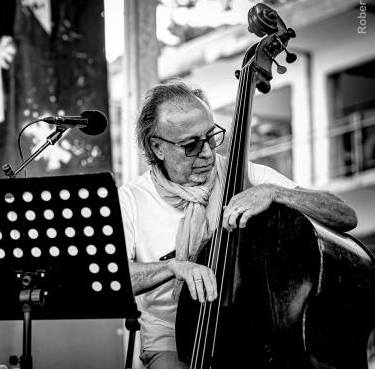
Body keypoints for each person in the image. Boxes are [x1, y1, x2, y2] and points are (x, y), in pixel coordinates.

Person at [118, 82, 357, 369]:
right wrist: (173, 267)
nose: (207, 153)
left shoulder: (245, 175)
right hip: (170, 338)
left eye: (211, 137)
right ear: (157, 147)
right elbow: (117, 277)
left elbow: (344, 215)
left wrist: (275, 192)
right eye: (191, 145)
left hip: (250, 331)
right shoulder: (130, 200)